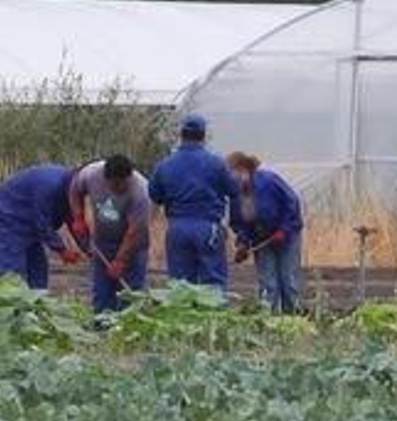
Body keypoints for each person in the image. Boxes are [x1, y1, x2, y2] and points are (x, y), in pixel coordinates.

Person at [148, 115, 240, 289]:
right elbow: (234, 191)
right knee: (212, 284)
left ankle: (183, 315)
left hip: (177, 229)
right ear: (203, 135)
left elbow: (155, 196)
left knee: (180, 286)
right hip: (207, 228)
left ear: (181, 135)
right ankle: (213, 316)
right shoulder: (216, 163)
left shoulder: (164, 165)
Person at [68, 154, 152, 314]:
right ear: (107, 179)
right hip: (103, 244)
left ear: (129, 176)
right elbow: (74, 190)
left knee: (129, 299)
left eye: (124, 183)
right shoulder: (91, 174)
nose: (120, 188)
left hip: (134, 248)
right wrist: (78, 218)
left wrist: (120, 260)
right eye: (116, 184)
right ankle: (101, 331)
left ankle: (125, 332)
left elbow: (134, 231)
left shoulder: (141, 191)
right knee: (101, 296)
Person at [227, 152, 306, 312]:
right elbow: (240, 223)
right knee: (268, 282)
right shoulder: (236, 196)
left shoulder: (269, 181)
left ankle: (293, 316)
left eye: (235, 171)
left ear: (245, 169)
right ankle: (269, 317)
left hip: (287, 236)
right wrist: (243, 243)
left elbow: (291, 202)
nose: (233, 177)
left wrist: (284, 230)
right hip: (261, 239)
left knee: (288, 279)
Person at [0, 163, 83, 291]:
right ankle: (12, 306)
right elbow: (43, 224)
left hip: (31, 221)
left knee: (38, 270)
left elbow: (74, 221)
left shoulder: (75, 191)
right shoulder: (49, 187)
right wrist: (62, 250)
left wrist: (88, 249)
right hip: (10, 214)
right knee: (13, 274)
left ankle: (37, 305)